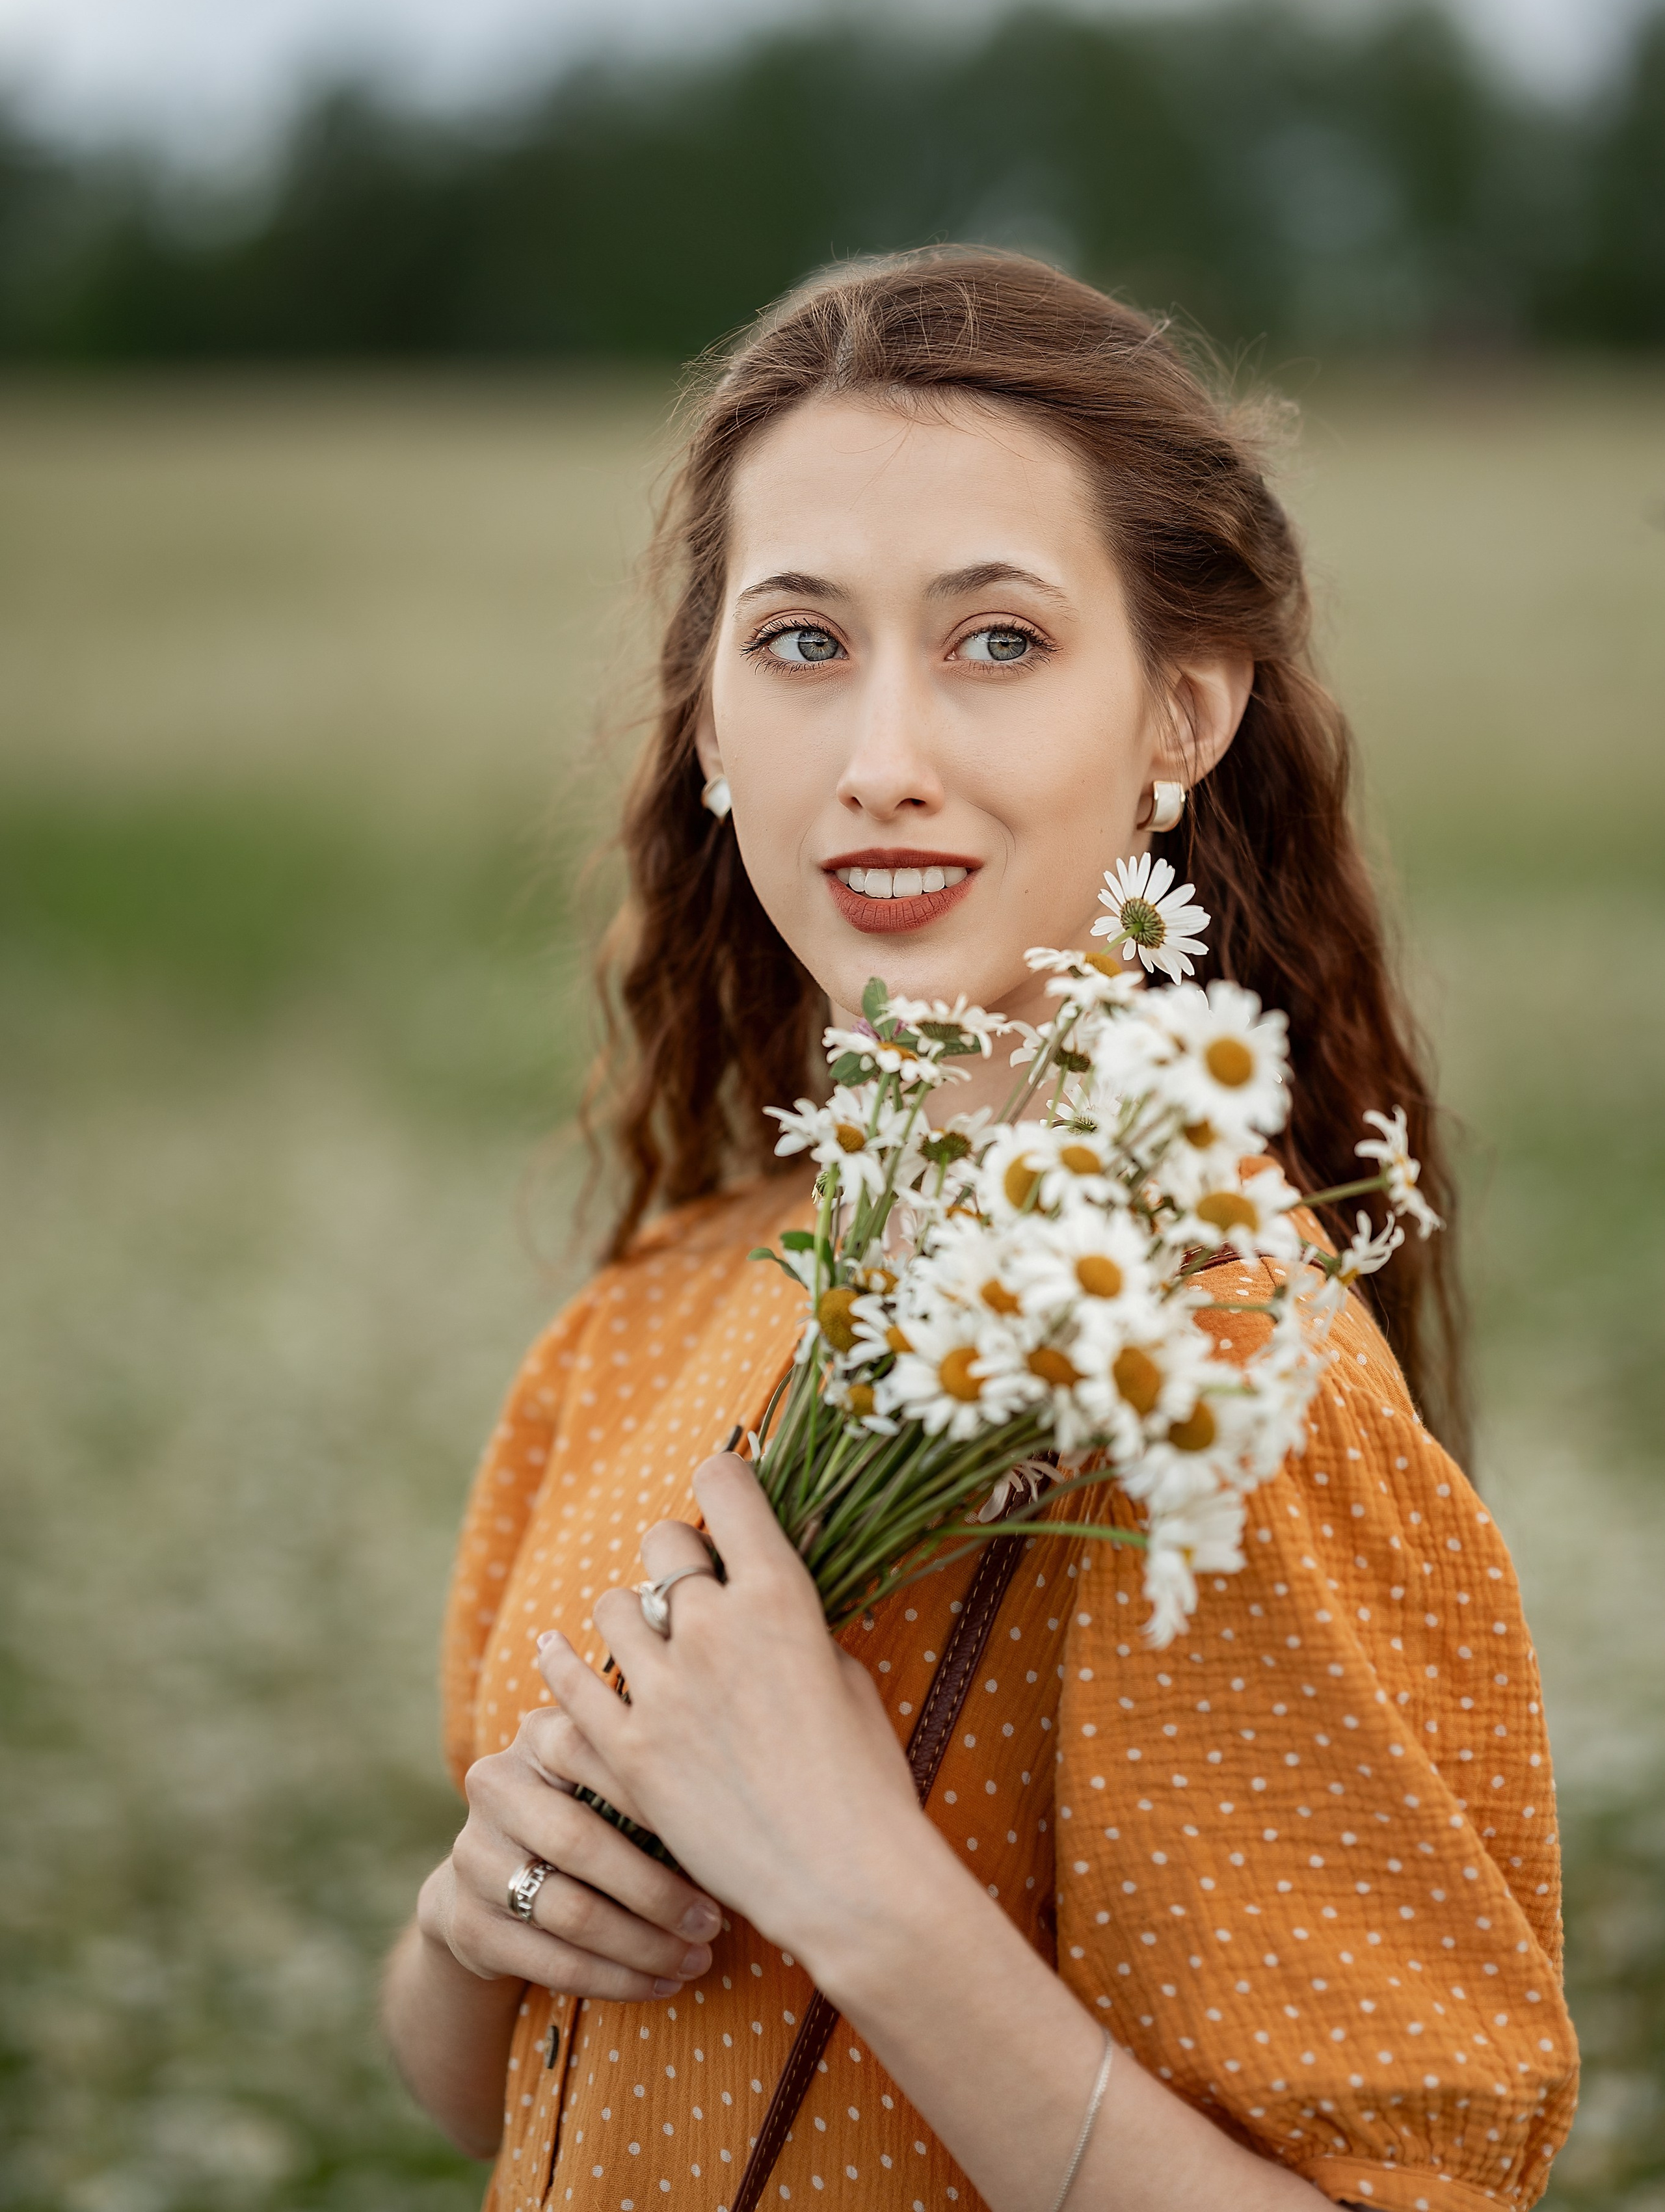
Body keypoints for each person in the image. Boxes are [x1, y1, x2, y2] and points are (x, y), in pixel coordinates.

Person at [381, 252, 1578, 2211]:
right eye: (797, 642)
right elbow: (489, 2099)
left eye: (998, 643)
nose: (878, 759)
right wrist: (480, 1914)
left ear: (1182, 712)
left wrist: (865, 1891)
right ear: (703, 719)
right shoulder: (654, 1310)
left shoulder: (1216, 1388)